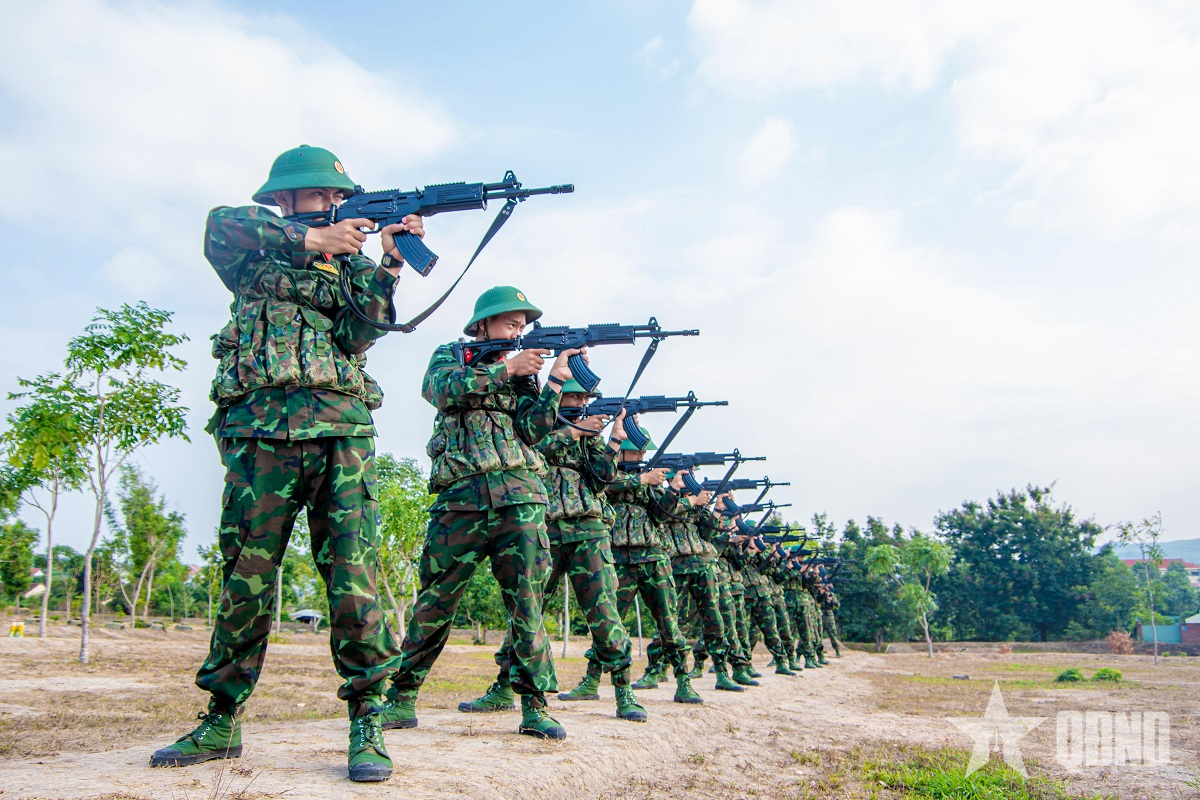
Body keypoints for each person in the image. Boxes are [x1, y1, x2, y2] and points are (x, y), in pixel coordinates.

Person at [150, 145, 423, 782]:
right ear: (286, 199)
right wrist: (313, 235)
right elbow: (219, 221)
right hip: (260, 433)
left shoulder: (347, 259)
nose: (333, 202)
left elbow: (363, 333)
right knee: (246, 576)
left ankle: (367, 721)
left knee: (353, 577)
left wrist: (386, 261)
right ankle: (222, 717)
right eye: (321, 195)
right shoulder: (250, 247)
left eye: (337, 196)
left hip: (340, 434)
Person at [374, 286, 576, 740]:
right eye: (510, 323)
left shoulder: (526, 375)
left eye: (523, 325)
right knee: (435, 601)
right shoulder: (451, 354)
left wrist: (555, 382)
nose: (519, 330)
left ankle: (535, 707)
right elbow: (440, 392)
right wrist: (504, 369)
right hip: (459, 498)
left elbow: (535, 431)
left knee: (526, 601)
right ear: (482, 324)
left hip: (519, 498)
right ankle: (401, 698)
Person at [461, 381, 647, 723]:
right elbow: (528, 452)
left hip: (587, 530)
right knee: (526, 611)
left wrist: (614, 440)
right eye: (574, 396)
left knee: (603, 611)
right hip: (544, 527)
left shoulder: (589, 432)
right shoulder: (535, 420)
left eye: (584, 398)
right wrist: (572, 434)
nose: (580, 403)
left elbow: (602, 480)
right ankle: (504, 687)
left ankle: (624, 690)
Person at [588, 432, 703, 704]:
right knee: (608, 623)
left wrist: (673, 489)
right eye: (635, 452)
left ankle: (683, 681)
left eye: (642, 453)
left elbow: (661, 515)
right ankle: (591, 680)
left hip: (654, 559)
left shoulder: (649, 480)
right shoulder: (607, 472)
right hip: (620, 560)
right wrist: (641, 478)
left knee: (668, 623)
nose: (640, 457)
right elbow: (603, 483)